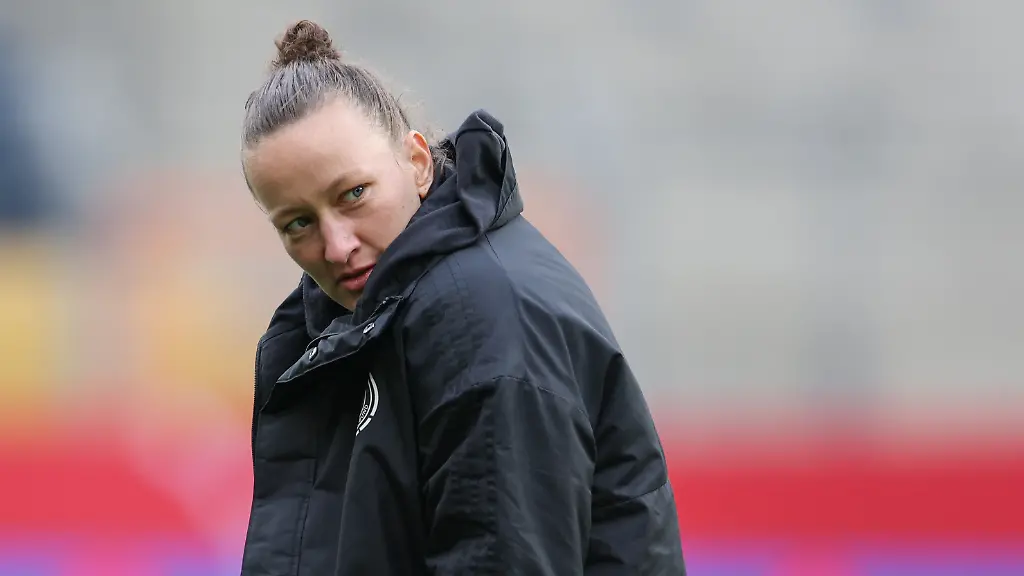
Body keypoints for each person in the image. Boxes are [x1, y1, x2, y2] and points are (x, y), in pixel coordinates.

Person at [239, 20, 685, 576]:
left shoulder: (480, 317)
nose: (336, 245)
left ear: (418, 163)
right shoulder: (361, 321)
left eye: (353, 194)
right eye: (298, 224)